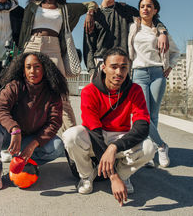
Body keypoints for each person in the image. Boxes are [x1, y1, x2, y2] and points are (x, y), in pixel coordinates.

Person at [63, 47, 156, 206]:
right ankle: (87, 175)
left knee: (149, 148)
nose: (119, 72)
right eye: (114, 66)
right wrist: (112, 177)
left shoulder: (135, 90)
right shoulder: (89, 91)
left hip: (120, 137)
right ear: (103, 67)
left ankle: (123, 174)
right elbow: (94, 131)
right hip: (95, 136)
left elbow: (142, 126)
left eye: (123, 67)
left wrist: (114, 148)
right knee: (71, 136)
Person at [18, 0, 98, 134]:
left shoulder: (65, 8)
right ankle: (22, 137)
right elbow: (22, 30)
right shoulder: (32, 6)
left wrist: (90, 14)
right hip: (32, 44)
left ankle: (74, 139)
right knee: (25, 92)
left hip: (54, 47)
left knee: (61, 94)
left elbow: (92, 3)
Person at [0, 52, 67, 190]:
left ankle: (24, 163)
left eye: (37, 67)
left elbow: (54, 123)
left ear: (45, 69)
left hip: (32, 139)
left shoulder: (52, 93)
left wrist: (33, 144)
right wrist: (14, 128)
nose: (32, 71)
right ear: (23, 70)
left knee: (57, 146)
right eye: (28, 67)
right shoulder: (15, 86)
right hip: (10, 138)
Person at [83, 0, 169, 78]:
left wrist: (162, 32)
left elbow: (149, 17)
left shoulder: (125, 10)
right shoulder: (94, 15)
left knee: (123, 95)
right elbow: (88, 46)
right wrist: (92, 70)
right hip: (101, 63)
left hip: (123, 64)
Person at [128, 0, 180, 168]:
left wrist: (169, 67)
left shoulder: (160, 31)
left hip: (158, 73)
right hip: (138, 74)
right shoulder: (133, 28)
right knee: (142, 115)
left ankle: (149, 152)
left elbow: (175, 52)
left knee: (154, 115)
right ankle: (162, 146)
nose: (145, 9)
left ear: (155, 10)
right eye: (142, 6)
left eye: (149, 6)